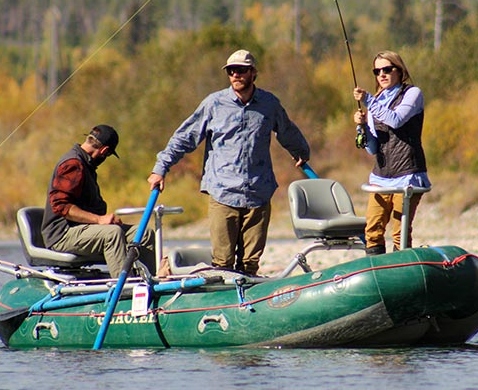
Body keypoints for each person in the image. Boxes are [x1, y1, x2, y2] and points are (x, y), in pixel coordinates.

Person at [148, 49, 310, 276]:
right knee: (222, 262)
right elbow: (184, 137)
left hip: (258, 193)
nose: (235, 75)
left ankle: (249, 305)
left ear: (253, 73)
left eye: (241, 70)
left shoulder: (269, 104)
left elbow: (287, 130)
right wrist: (160, 169)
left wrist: (300, 151)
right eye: (231, 71)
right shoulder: (214, 104)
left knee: (250, 264)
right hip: (222, 192)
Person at [41, 124, 157, 278]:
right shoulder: (73, 164)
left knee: (143, 233)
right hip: (62, 235)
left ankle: (155, 280)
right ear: (104, 151)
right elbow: (61, 206)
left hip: (82, 229)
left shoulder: (86, 164)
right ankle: (124, 288)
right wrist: (100, 219)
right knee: (112, 233)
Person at [353, 51, 431, 255]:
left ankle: (401, 270)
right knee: (373, 231)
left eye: (387, 69)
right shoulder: (375, 102)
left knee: (400, 232)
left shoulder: (412, 94)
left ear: (400, 70)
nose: (382, 74)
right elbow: (372, 148)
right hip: (381, 176)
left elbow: (396, 119)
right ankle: (376, 274)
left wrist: (369, 100)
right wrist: (362, 128)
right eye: (377, 71)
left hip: (408, 174)